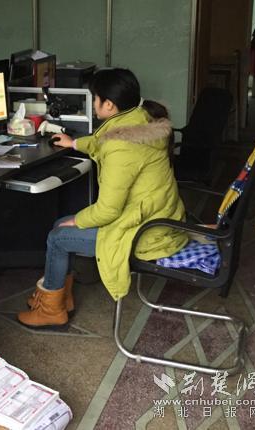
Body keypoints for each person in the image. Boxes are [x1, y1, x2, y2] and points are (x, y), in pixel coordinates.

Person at [18, 68, 189, 329]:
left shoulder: (122, 147)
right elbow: (103, 140)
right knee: (61, 224)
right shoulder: (140, 118)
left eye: (95, 98)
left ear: (108, 104)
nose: (93, 103)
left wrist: (79, 220)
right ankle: (61, 299)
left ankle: (52, 311)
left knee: (58, 236)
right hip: (158, 218)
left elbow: (108, 210)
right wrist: (74, 144)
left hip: (145, 233)